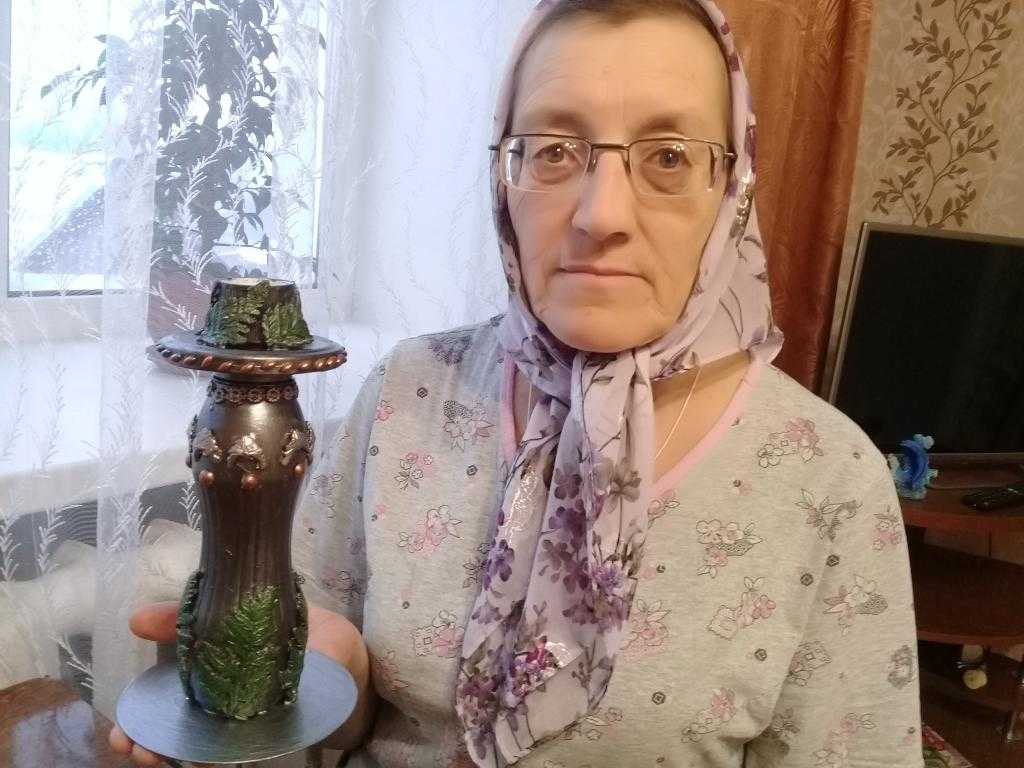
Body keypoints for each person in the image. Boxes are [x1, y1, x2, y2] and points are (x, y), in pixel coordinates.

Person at [112, 0, 925, 766]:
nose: (602, 214)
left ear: (731, 190)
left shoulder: (826, 479)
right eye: (554, 150)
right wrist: (326, 677)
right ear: (504, 175)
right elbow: (341, 718)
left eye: (669, 157)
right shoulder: (407, 393)